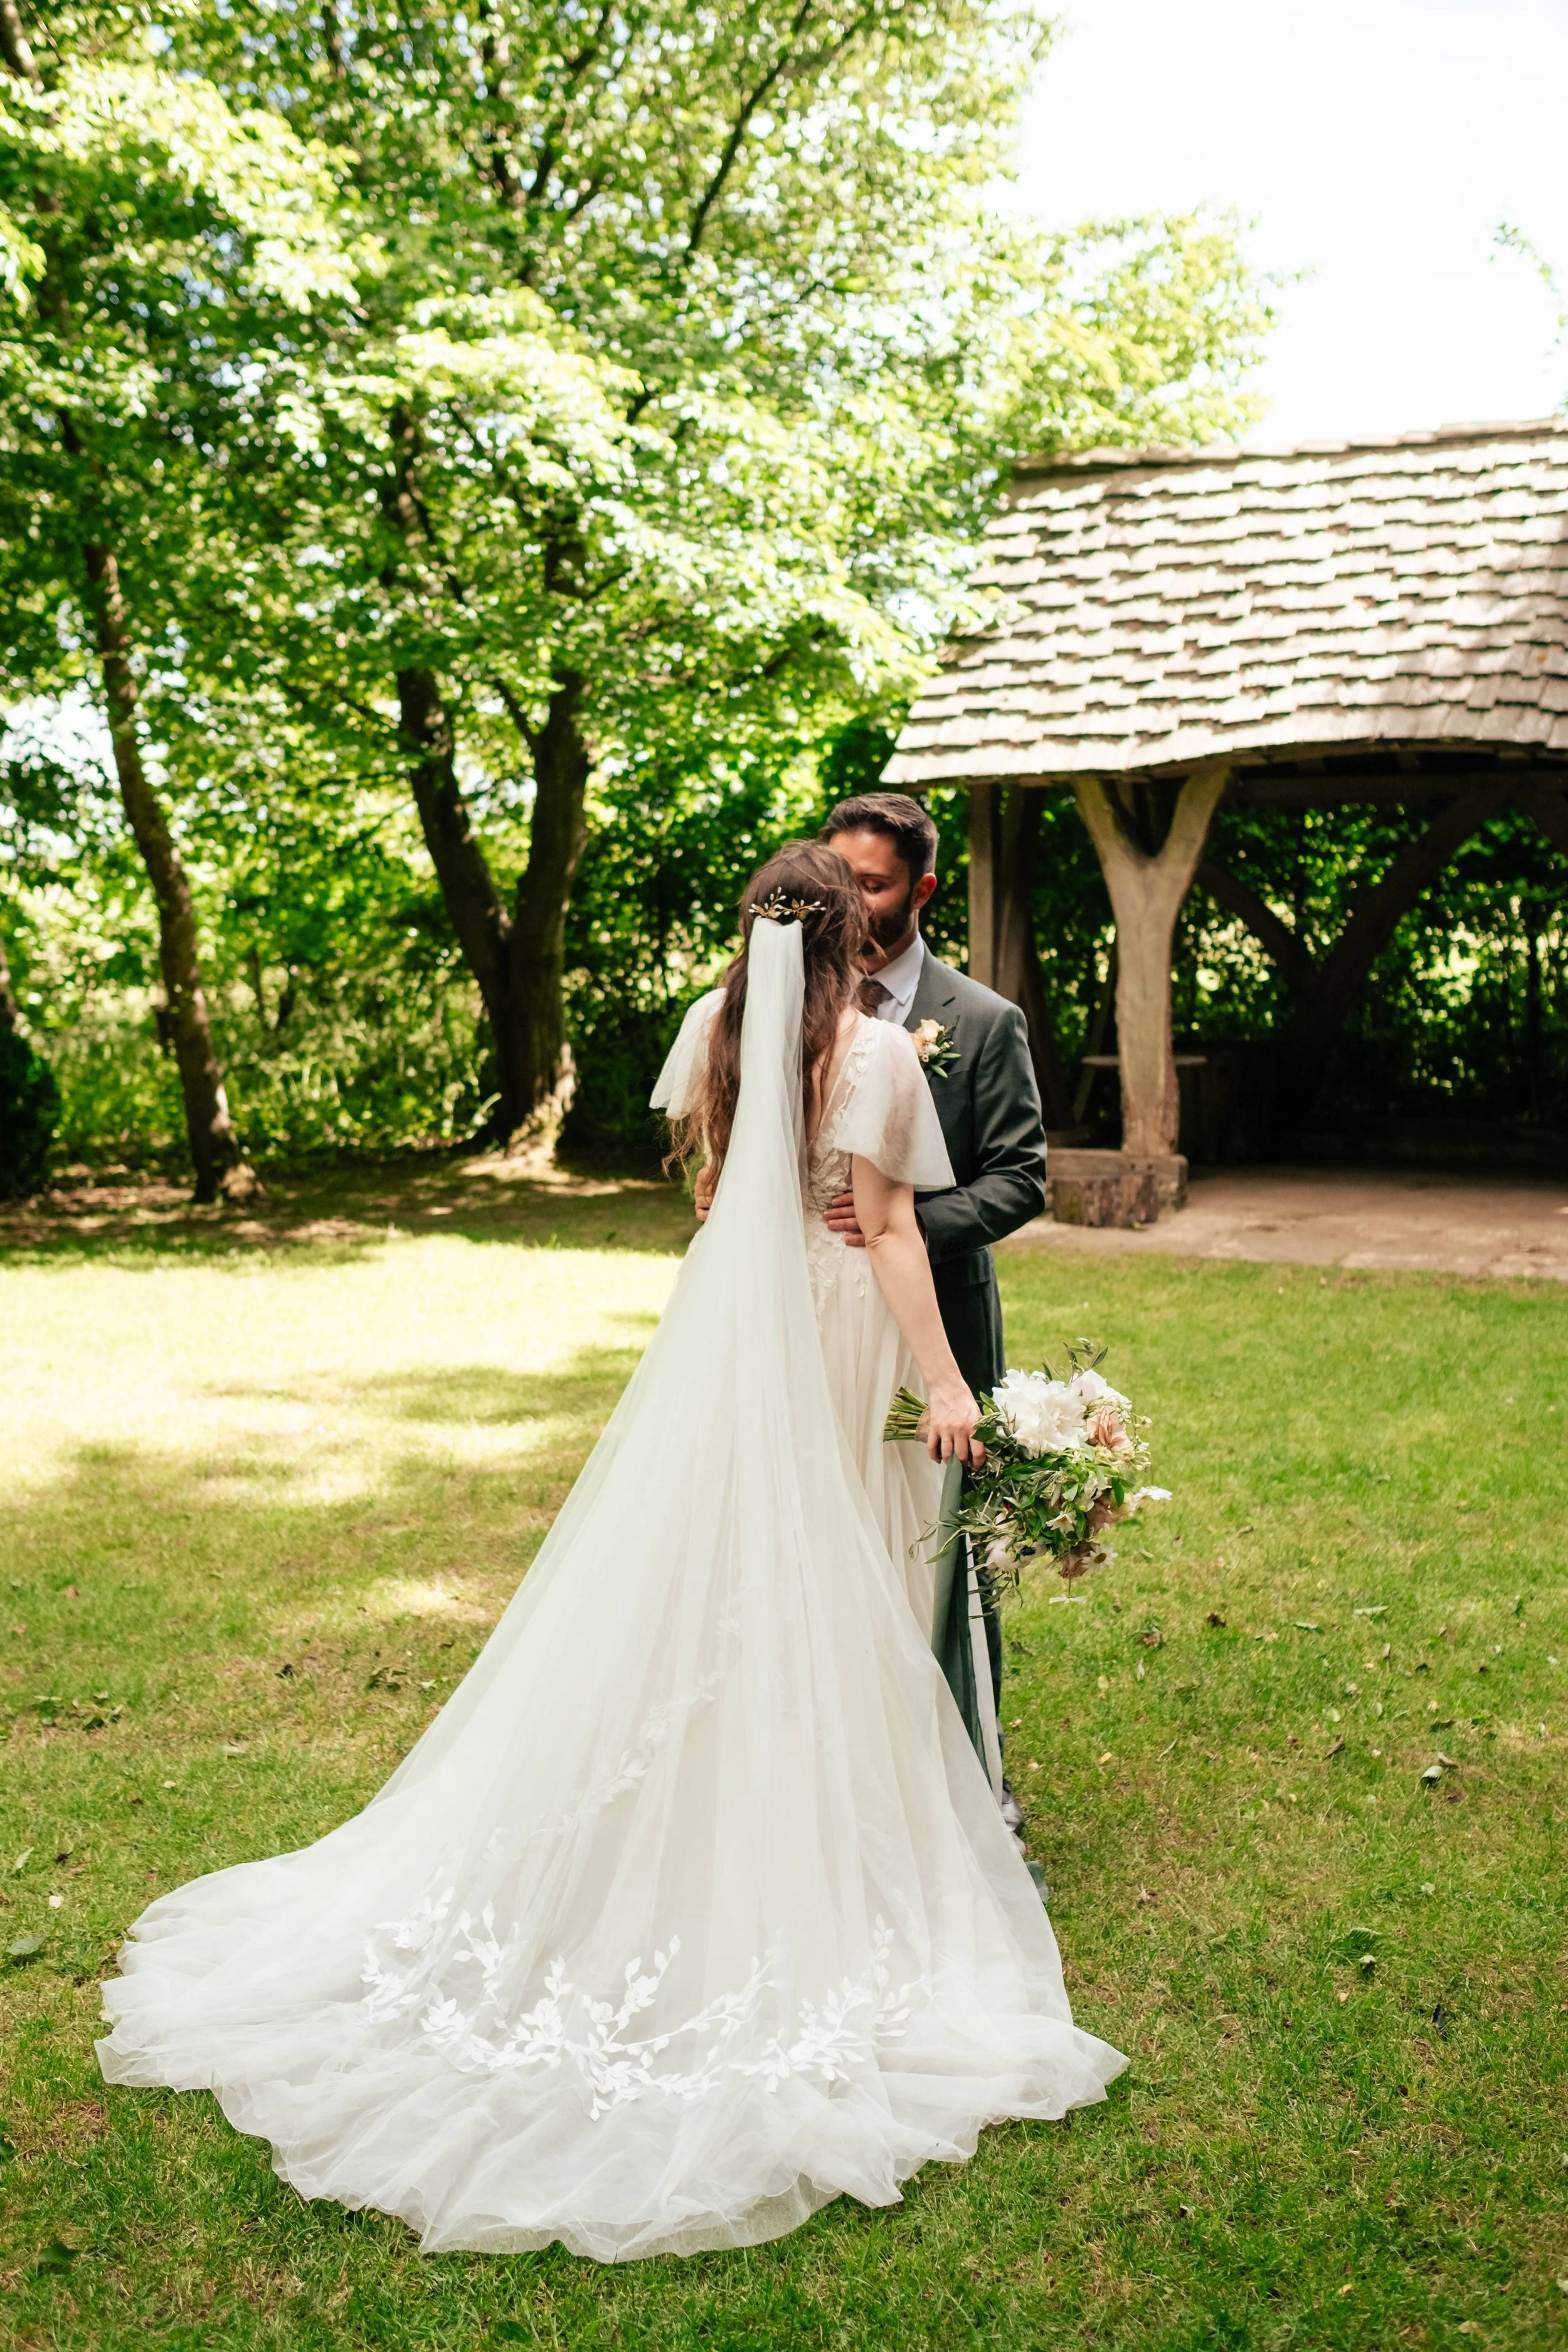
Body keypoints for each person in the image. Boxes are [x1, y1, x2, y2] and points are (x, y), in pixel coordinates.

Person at [97, 843, 1123, 2262]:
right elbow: (886, 1233)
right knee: (834, 1572)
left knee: (713, 1570)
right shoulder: (881, 1057)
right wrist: (946, 1383)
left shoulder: (709, 1033)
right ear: (843, 936)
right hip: (830, 1329)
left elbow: (706, 1203)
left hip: (723, 1333)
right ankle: (799, 1842)